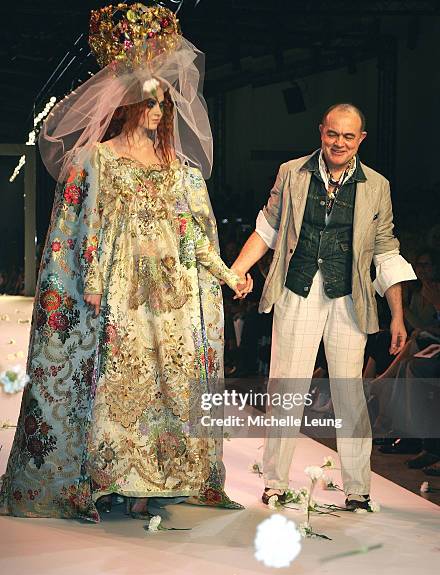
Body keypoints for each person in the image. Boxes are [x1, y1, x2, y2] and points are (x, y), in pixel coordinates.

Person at [0, 3, 251, 522]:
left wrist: (228, 274)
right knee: (120, 382)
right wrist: (92, 284)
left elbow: (195, 234)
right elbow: (80, 231)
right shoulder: (97, 159)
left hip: (174, 296)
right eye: (152, 103)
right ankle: (109, 480)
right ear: (130, 104)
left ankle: (155, 484)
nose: (160, 113)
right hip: (120, 291)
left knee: (169, 383)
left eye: (165, 105)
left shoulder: (179, 169)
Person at [231, 103, 416, 511]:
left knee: (349, 392)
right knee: (286, 385)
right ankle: (275, 481)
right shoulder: (292, 172)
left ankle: (358, 489)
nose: (339, 142)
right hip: (297, 290)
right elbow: (268, 227)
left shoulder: (377, 186)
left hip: (349, 297)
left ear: (360, 140)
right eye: (333, 134)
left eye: (349, 136)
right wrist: (237, 271)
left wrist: (398, 314)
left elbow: (386, 250)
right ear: (321, 132)